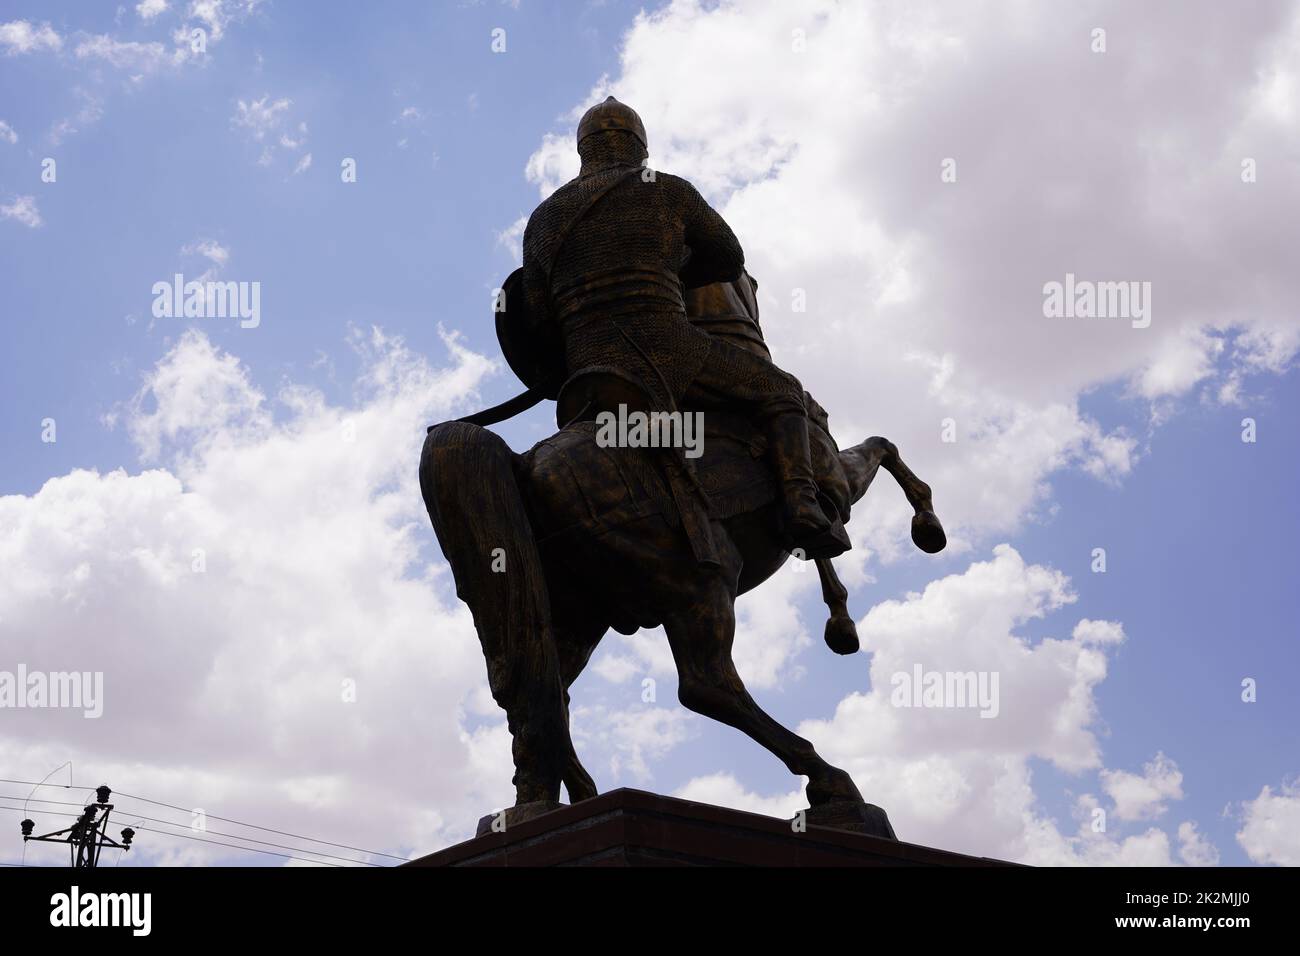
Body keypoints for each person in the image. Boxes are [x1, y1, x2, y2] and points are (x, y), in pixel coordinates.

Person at [520, 97, 848, 560]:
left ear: (583, 151)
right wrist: (671, 271)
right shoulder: (668, 190)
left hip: (586, 377)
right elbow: (729, 258)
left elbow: (535, 316)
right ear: (640, 148)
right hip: (670, 351)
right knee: (783, 391)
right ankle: (802, 506)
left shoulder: (544, 218)